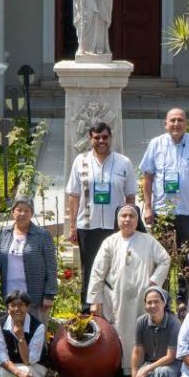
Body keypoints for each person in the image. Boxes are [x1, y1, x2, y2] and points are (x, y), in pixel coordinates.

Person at [87, 204, 170, 371]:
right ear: (117, 220)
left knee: (141, 332)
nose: (127, 220)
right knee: (118, 332)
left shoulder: (148, 240)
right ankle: (119, 369)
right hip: (117, 299)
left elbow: (165, 260)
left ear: (137, 219)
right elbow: (98, 272)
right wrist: (95, 300)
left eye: (131, 216)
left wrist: (154, 282)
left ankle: (140, 369)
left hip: (142, 300)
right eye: (123, 216)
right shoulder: (110, 242)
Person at [65, 121, 137, 308]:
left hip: (116, 227)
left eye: (105, 137)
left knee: (116, 268)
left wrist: (131, 224)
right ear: (90, 139)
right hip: (88, 226)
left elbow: (130, 197)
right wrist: (72, 226)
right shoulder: (80, 162)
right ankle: (88, 310)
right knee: (89, 268)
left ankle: (113, 308)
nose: (101, 141)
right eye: (97, 138)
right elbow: (73, 195)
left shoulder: (123, 163)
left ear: (110, 138)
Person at [140, 108, 189, 279]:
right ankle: (160, 297)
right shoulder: (155, 144)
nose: (176, 124)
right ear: (165, 124)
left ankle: (182, 300)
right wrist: (148, 207)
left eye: (180, 120)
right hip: (162, 212)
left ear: (186, 123)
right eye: (172, 120)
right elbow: (147, 177)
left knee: (187, 257)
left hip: (188, 212)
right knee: (160, 258)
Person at [0, 197, 57, 324]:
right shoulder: (4, 233)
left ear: (32, 213)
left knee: (36, 334)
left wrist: (49, 295)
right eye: (19, 210)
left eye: (26, 211)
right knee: (12, 334)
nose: (22, 214)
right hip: (10, 296)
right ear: (13, 212)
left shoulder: (42, 235)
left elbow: (51, 267)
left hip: (35, 297)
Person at [0, 290, 48, 377]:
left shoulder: (38, 327)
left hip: (32, 365)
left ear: (27, 307)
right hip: (9, 365)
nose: (17, 309)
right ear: (7, 309)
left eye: (21, 305)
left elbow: (29, 361)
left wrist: (21, 338)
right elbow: (1, 355)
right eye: (12, 306)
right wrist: (17, 373)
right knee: (2, 371)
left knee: (28, 370)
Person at [130, 287, 181, 377]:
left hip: (172, 364)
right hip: (150, 363)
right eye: (149, 302)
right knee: (141, 376)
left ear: (164, 303)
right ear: (145, 305)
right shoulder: (141, 322)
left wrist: (147, 369)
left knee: (162, 372)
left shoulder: (174, 323)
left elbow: (171, 356)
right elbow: (137, 351)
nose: (152, 305)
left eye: (156, 301)